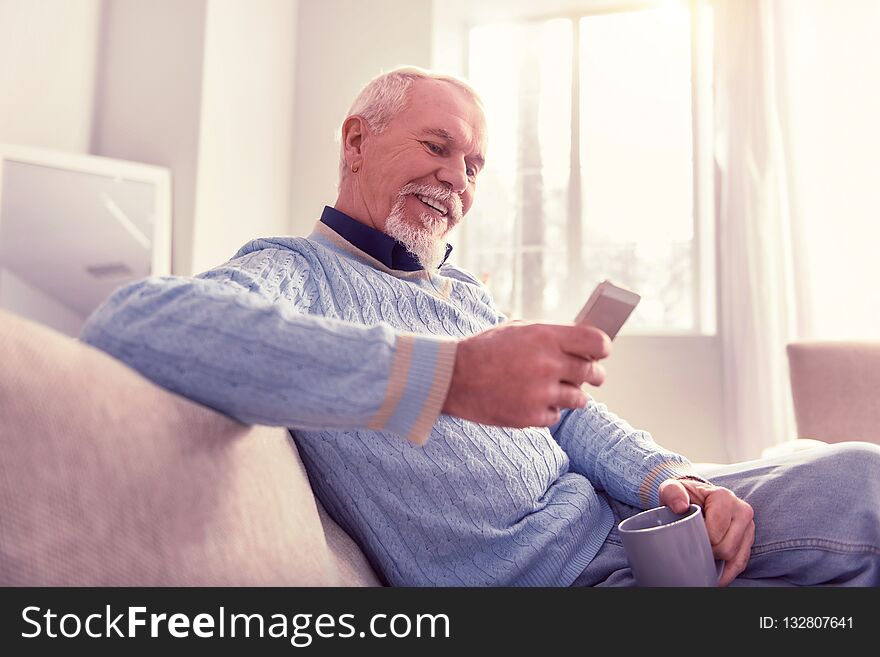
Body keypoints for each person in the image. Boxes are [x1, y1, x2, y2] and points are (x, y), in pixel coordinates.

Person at [80, 66, 880, 587]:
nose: (455, 179)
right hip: (567, 582)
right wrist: (451, 376)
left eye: (473, 167)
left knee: (859, 474)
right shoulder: (297, 272)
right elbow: (133, 322)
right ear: (356, 142)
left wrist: (672, 479)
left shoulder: (461, 288)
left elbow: (572, 419)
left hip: (632, 520)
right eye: (437, 146)